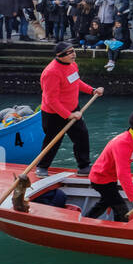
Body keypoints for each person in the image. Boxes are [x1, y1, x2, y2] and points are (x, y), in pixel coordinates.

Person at [37, 41, 103, 177]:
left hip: (73, 109)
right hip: (54, 114)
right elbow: (51, 100)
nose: (74, 54)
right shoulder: (51, 73)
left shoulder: (72, 65)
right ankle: (42, 167)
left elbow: (76, 82)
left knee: (82, 136)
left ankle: (84, 167)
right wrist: (68, 115)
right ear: (60, 56)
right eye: (70, 52)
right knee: (53, 141)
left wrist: (92, 90)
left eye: (73, 51)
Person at [84, 111, 133, 221]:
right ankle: (119, 229)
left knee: (106, 201)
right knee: (121, 209)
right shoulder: (122, 143)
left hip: (111, 178)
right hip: (100, 178)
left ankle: (86, 220)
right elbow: (123, 174)